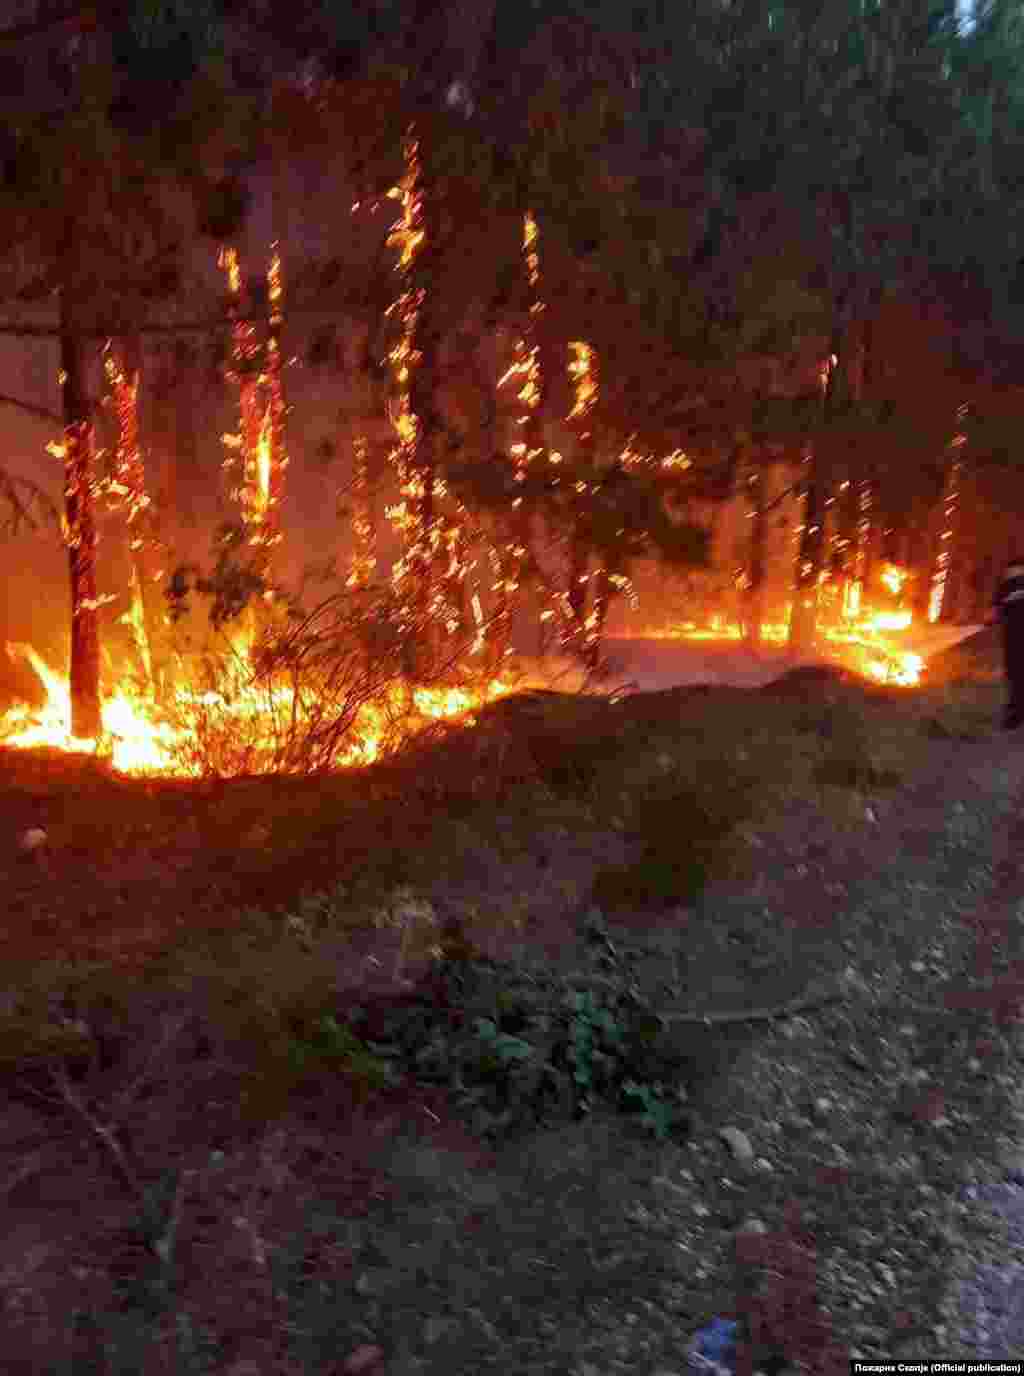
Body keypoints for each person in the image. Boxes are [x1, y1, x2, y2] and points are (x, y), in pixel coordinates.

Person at [990, 558, 1024, 729]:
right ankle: (1016, 712)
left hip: (1014, 639)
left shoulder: (1006, 587)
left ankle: (1016, 713)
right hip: (1013, 639)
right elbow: (996, 610)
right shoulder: (1005, 587)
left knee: (1016, 676)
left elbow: (996, 611)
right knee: (1015, 676)